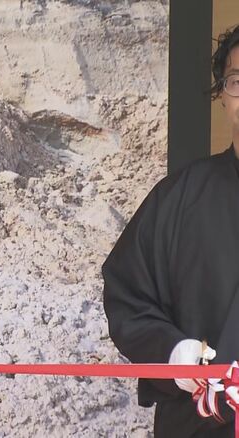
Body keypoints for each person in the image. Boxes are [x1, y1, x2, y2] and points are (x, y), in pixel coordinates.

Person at [102, 24, 239, 438]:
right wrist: (175, 352)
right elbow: (127, 296)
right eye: (238, 81)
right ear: (222, 94)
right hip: (197, 425)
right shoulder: (179, 197)